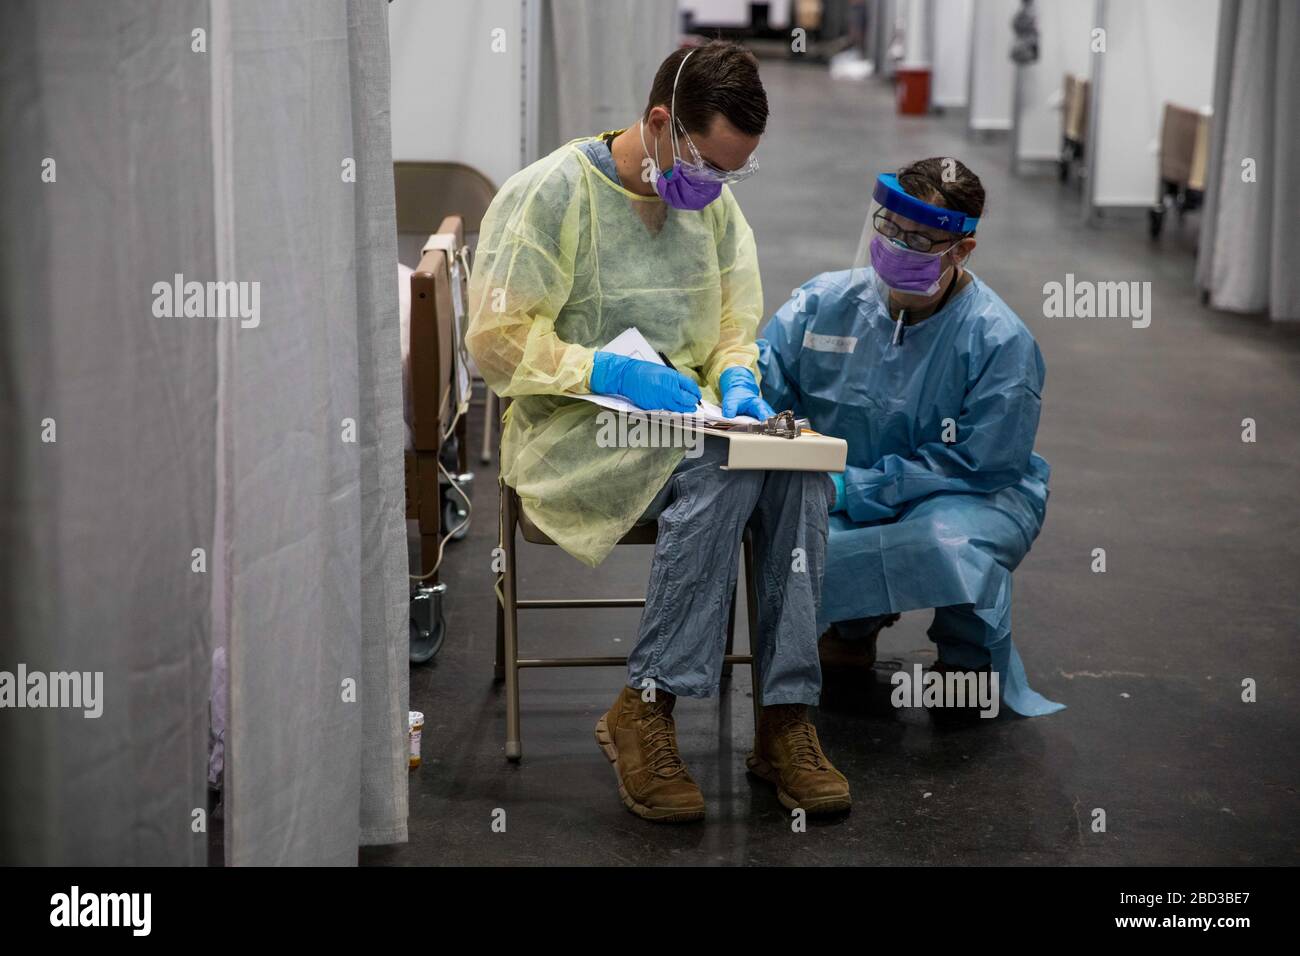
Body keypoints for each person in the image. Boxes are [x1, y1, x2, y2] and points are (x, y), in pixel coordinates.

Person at [467, 42, 851, 822]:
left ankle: (784, 718)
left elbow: (734, 327)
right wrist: (604, 372)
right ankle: (646, 706)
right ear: (659, 123)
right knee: (729, 471)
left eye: (732, 174)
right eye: (709, 165)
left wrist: (738, 379)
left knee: (796, 469)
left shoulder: (710, 206)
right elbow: (497, 340)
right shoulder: (550, 195)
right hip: (573, 433)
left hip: (685, 427)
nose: (714, 188)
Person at [758, 158, 1064, 718]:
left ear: (962, 250)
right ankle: (851, 627)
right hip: (840, 483)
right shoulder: (825, 303)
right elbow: (764, 383)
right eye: (890, 230)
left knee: (947, 545)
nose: (897, 247)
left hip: (963, 497)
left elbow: (983, 462)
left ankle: (965, 654)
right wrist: (736, 388)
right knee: (804, 535)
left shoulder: (998, 340)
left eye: (920, 240)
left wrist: (862, 488)